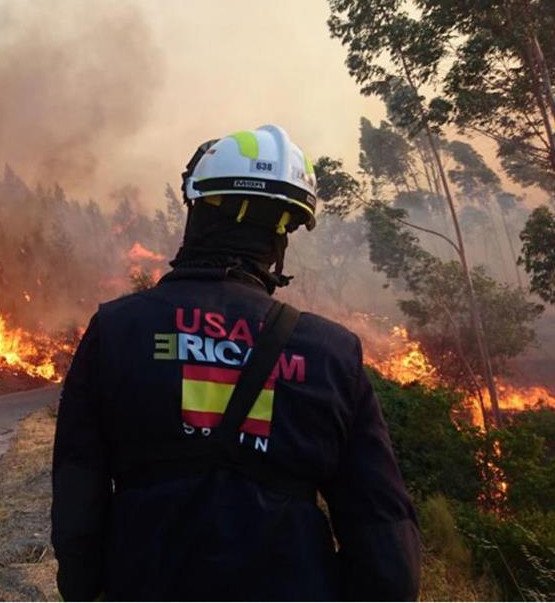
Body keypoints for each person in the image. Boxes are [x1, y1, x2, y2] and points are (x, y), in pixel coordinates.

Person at [51, 125, 421, 601]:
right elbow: (382, 533)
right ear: (281, 234)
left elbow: (79, 486)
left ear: (196, 212)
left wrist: (86, 588)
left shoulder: (118, 330)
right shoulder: (331, 353)